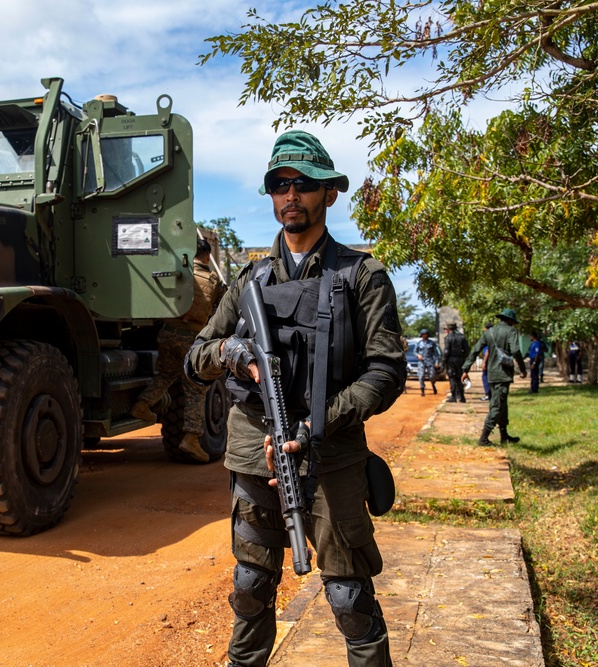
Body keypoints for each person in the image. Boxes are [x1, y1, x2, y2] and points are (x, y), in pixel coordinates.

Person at [186, 130, 406, 667]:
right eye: (280, 184)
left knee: (348, 595)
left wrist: (316, 425)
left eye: (304, 184)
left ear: (328, 193)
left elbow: (386, 372)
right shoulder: (250, 280)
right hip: (252, 450)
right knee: (251, 584)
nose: (291, 195)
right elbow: (197, 356)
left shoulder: (362, 276)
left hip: (330, 452)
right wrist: (238, 355)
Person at [129, 237, 225, 462]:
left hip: (166, 333)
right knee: (195, 386)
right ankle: (191, 438)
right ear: (208, 256)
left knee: (166, 374)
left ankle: (143, 404)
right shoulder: (211, 279)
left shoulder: (176, 273)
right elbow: (221, 309)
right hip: (190, 337)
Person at [461, 308, 527, 446]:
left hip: (491, 374)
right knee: (497, 406)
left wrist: (466, 368)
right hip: (503, 375)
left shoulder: (489, 332)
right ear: (509, 320)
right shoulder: (510, 331)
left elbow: (475, 350)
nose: (513, 324)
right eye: (513, 322)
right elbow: (515, 350)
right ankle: (483, 438)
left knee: (502, 405)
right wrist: (522, 369)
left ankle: (504, 436)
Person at [442, 322, 469, 402]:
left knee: (452, 377)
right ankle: (462, 396)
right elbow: (467, 350)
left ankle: (453, 396)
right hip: (460, 360)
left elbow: (446, 351)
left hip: (451, 360)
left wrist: (444, 361)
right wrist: (463, 358)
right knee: (460, 377)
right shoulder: (462, 337)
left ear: (448, 328)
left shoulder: (448, 338)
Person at [414, 328, 440, 396]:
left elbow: (435, 354)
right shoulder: (419, 343)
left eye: (425, 334)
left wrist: (436, 362)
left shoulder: (432, 343)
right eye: (423, 334)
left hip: (430, 361)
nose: (424, 335)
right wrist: (418, 355)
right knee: (421, 376)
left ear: (427, 335)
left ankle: (433, 385)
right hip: (421, 362)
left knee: (432, 376)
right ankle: (422, 390)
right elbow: (415, 352)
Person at [480, 322, 493, 401]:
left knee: (485, 376)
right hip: (493, 360)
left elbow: (487, 351)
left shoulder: (487, 337)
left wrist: (484, 362)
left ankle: (488, 394)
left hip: (488, 360)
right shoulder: (494, 336)